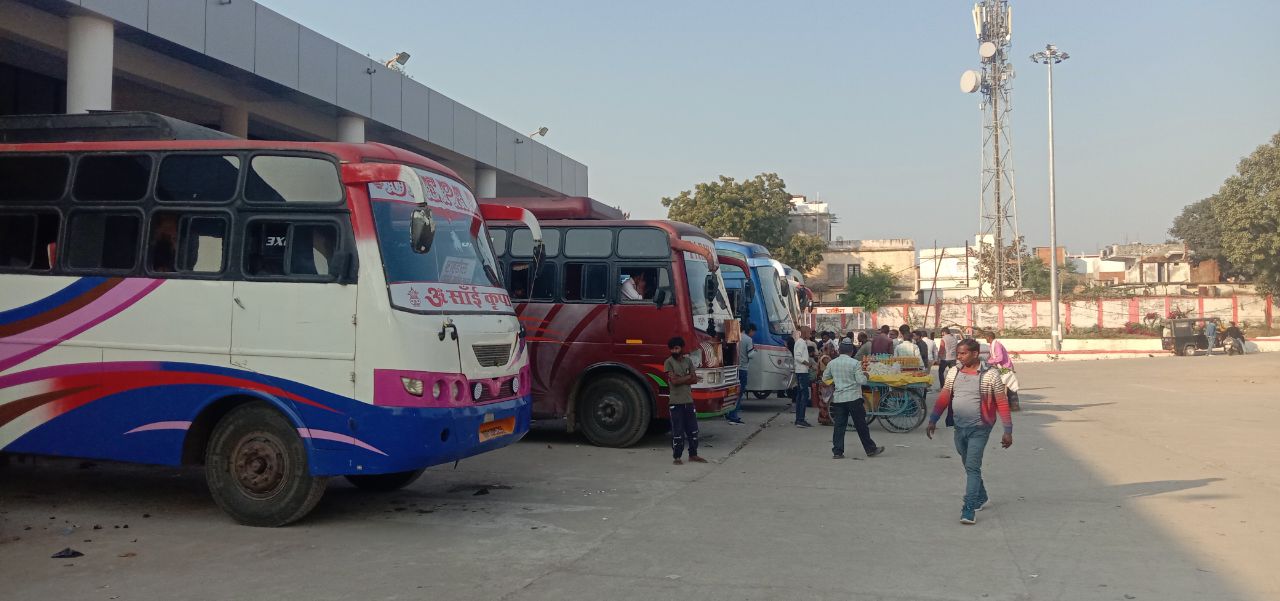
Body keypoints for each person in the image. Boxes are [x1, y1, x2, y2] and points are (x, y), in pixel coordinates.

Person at [926, 338, 1013, 524]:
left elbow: (1002, 402)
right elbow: (944, 397)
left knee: (973, 467)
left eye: (963, 353)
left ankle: (969, 508)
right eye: (958, 353)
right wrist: (933, 419)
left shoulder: (991, 375)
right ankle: (981, 496)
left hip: (980, 428)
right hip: (959, 427)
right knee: (968, 464)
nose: (960, 357)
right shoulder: (953, 372)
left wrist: (1008, 430)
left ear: (975, 354)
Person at [824, 347, 885, 459]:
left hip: (839, 399)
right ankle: (870, 449)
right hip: (853, 398)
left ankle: (837, 451)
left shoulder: (832, 363)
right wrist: (866, 375)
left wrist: (838, 380)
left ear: (839, 351)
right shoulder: (855, 363)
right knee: (861, 425)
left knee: (839, 426)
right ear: (851, 352)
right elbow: (861, 381)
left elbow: (825, 378)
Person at [664, 337, 707, 465]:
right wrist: (689, 376)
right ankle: (677, 457)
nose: (674, 351)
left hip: (688, 401)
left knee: (693, 431)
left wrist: (684, 378)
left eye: (676, 348)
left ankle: (693, 455)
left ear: (682, 348)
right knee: (678, 432)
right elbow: (675, 382)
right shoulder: (668, 362)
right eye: (672, 348)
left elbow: (694, 380)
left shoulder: (688, 361)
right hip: (675, 403)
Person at [726, 323, 755, 425]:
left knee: (732, 392)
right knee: (739, 392)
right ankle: (733, 415)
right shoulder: (748, 340)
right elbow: (751, 355)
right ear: (750, 330)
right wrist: (755, 351)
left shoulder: (734, 336)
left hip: (733, 368)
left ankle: (728, 413)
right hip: (743, 368)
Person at [983, 331, 1019, 411]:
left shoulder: (996, 345)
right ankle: (1013, 405)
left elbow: (1000, 358)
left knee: (1004, 386)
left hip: (1005, 368)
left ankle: (1007, 405)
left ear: (989, 337)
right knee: (1009, 385)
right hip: (1004, 367)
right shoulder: (993, 345)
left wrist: (989, 362)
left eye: (985, 337)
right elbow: (994, 357)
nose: (985, 339)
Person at [788, 335, 814, 427]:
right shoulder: (800, 342)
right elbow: (798, 357)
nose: (810, 334)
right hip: (802, 371)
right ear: (804, 333)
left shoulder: (801, 342)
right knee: (804, 395)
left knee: (800, 395)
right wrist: (808, 364)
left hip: (801, 371)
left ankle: (799, 419)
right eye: (809, 332)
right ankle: (800, 419)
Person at [937, 328, 959, 426]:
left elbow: (942, 348)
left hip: (945, 358)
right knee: (953, 373)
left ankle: (943, 386)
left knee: (940, 371)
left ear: (943, 332)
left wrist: (939, 356)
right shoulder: (954, 337)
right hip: (953, 358)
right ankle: (953, 386)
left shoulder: (944, 338)